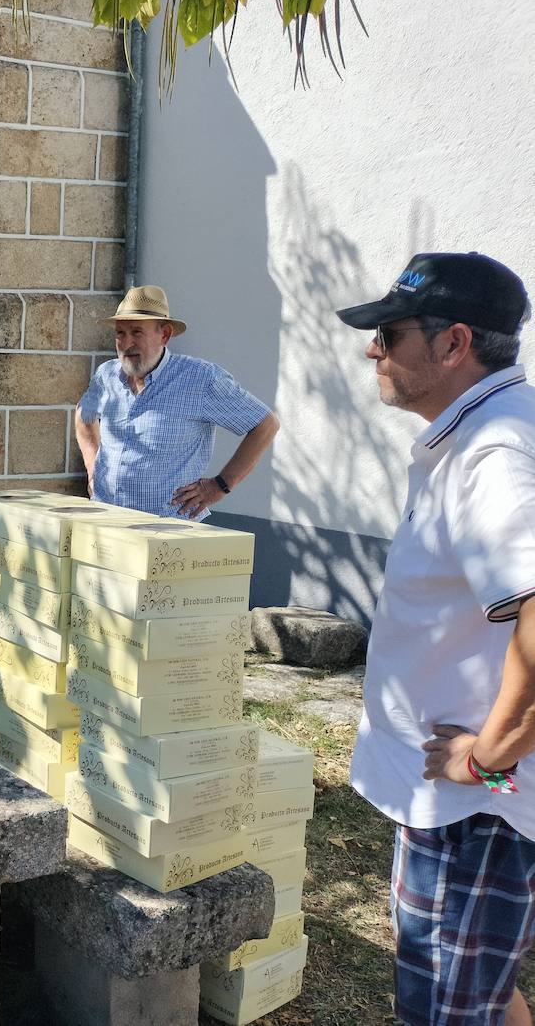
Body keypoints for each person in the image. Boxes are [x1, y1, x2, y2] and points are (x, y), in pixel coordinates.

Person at [335, 252, 535, 1026]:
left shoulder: (494, 455)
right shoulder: (483, 434)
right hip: (459, 799)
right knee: (479, 990)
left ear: (453, 344)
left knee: (450, 1008)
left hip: (474, 806)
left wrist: (491, 754)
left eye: (388, 334)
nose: (371, 349)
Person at [74, 285, 280, 519]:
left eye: (137, 332)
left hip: (170, 532)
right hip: (107, 521)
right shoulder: (106, 375)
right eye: (120, 333)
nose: (126, 342)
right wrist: (92, 468)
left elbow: (266, 424)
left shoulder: (201, 379)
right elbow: (84, 414)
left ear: (165, 335)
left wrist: (220, 485)